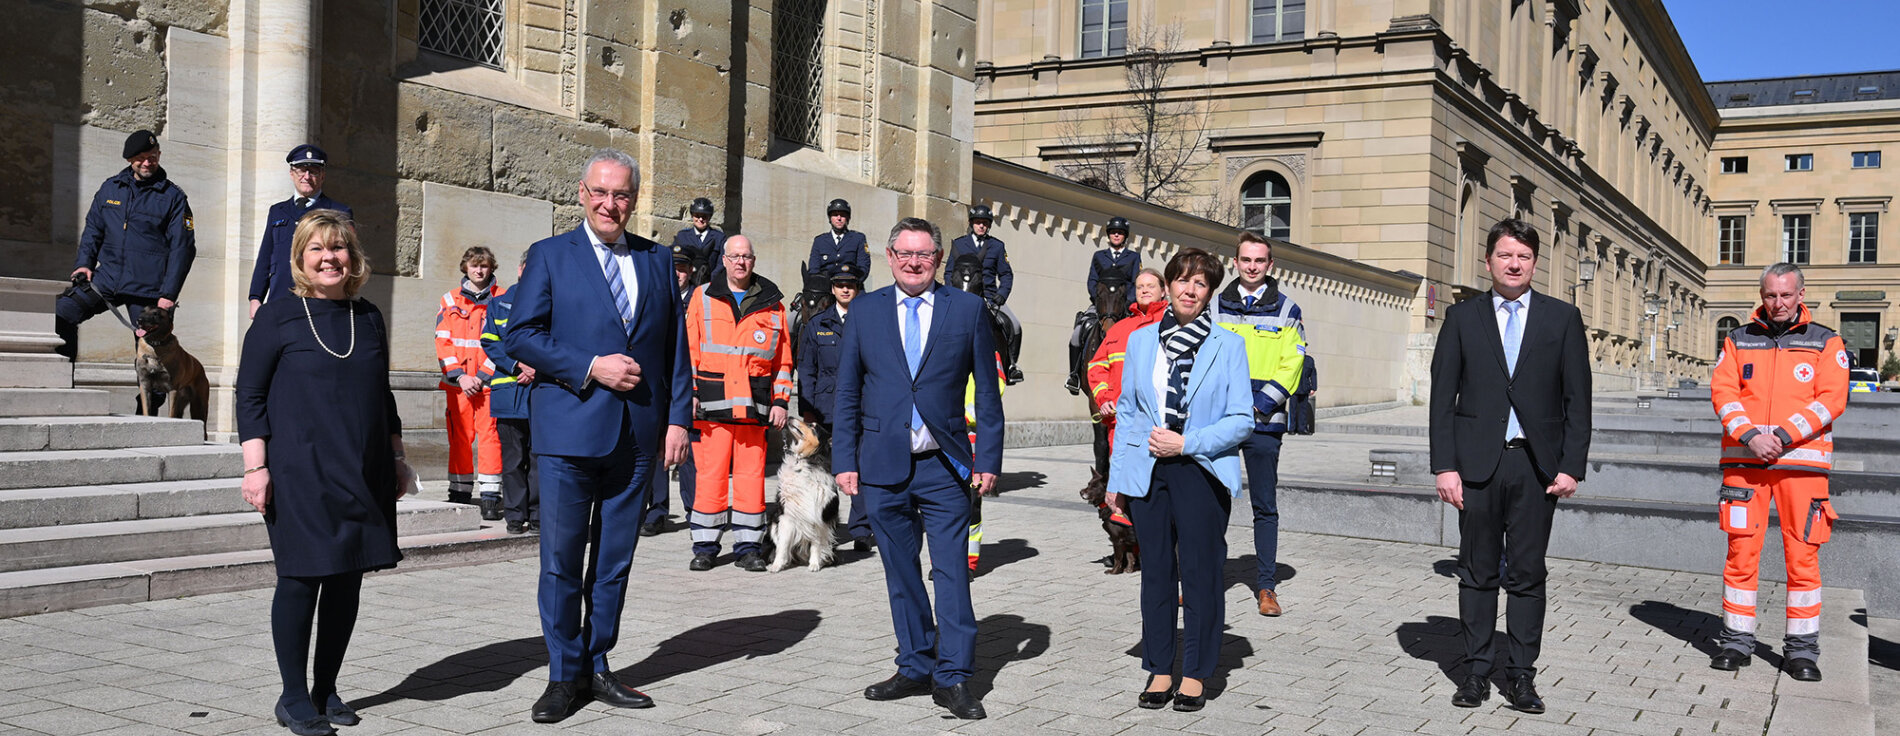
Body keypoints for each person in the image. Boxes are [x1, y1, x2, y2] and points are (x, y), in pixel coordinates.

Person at [504, 149, 692, 723]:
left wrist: (679, 419)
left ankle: (598, 663)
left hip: (637, 437)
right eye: (601, 193)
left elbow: (675, 351)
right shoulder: (550, 256)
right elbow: (521, 336)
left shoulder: (659, 261)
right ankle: (564, 676)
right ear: (582, 194)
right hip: (568, 433)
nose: (611, 204)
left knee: (614, 561)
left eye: (623, 195)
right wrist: (590, 365)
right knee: (561, 561)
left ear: (634, 200)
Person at [236, 209, 414, 736]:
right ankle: (293, 696)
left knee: (346, 581)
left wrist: (398, 458)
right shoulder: (278, 314)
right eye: (317, 248)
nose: (329, 257)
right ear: (300, 258)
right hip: (299, 469)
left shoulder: (369, 318)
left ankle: (325, 686)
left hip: (362, 466)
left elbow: (382, 395)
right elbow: (250, 395)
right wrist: (255, 468)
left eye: (337, 248)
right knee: (300, 578)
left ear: (352, 257)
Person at [834, 217, 1003, 721]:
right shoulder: (863, 311)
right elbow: (846, 392)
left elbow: (989, 396)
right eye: (904, 254)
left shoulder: (968, 309)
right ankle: (914, 663)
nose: (913, 262)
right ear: (889, 257)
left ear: (938, 260)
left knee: (951, 574)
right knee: (901, 572)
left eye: (924, 255)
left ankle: (952, 676)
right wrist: (845, 461)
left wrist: (988, 460)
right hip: (882, 467)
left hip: (945, 467)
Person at [1430, 218, 1590, 714]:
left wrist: (1571, 466)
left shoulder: (1562, 318)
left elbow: (1578, 399)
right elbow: (1442, 398)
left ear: (1534, 263)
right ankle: (1476, 672)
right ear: (1488, 261)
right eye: (1504, 255)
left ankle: (1521, 675)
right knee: (1476, 572)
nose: (1514, 264)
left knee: (1526, 574)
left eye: (1522, 256)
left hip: (1535, 467)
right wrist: (1444, 466)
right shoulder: (1462, 317)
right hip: (1477, 466)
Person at [1103, 248, 1253, 714]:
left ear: (1209, 292)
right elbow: (1128, 411)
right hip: (1149, 469)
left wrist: (1186, 444)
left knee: (1202, 573)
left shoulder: (1228, 345)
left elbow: (1242, 420)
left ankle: (1196, 672)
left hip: (1200, 469)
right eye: (1183, 280)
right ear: (1168, 285)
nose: (1190, 289)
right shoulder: (1144, 341)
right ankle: (1159, 665)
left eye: (1201, 283)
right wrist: (1118, 477)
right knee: (1158, 575)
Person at [1707, 262, 1848, 682]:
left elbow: (1832, 399)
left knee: (1802, 558)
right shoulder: (1737, 338)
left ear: (1801, 294)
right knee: (1740, 555)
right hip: (1745, 463)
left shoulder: (1826, 341)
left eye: (1786, 295)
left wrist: (1782, 436)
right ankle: (1736, 641)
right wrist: (1750, 435)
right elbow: (1723, 392)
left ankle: (1802, 651)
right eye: (1770, 295)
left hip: (1802, 467)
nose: (1778, 303)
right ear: (1761, 295)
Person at [1209, 232, 1306, 617]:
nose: (1252, 266)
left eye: (1259, 261)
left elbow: (1293, 362)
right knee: (1212, 504)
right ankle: (1204, 579)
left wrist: (1259, 405)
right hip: (1219, 421)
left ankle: (1266, 587)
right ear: (1235, 262)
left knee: (1264, 506)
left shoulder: (1287, 310)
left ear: (1270, 265)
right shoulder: (1214, 306)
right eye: (1246, 260)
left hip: (1264, 422)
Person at [684, 235, 794, 572]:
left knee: (751, 478)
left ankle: (748, 547)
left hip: (754, 409)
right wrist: (687, 395)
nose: (740, 262)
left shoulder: (773, 305)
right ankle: (705, 546)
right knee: (710, 477)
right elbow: (688, 353)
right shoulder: (702, 298)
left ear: (754, 260)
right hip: (711, 408)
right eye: (735, 256)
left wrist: (780, 401)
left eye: (746, 256)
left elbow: (784, 361)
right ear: (725, 261)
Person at [57, 129, 197, 361]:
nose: (147, 163)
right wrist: (84, 264)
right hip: (107, 278)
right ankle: (61, 378)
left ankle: (150, 397)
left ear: (159, 155)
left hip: (148, 288)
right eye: (141, 158)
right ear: (129, 159)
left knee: (152, 357)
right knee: (61, 313)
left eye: (152, 156)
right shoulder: (110, 188)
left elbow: (183, 249)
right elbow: (93, 230)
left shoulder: (174, 197)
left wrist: (168, 295)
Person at [797, 260, 873, 550]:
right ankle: (826, 527)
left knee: (860, 468)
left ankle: (861, 529)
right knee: (824, 474)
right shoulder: (818, 324)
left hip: (862, 408)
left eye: (850, 285)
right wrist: (808, 409)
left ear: (857, 288)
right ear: (832, 289)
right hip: (826, 409)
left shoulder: (868, 321)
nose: (845, 289)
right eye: (840, 285)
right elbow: (807, 369)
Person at [435, 247, 506, 517]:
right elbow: (443, 341)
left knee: (491, 439)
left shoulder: (503, 298)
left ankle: (490, 498)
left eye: (484, 266)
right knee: (460, 439)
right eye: (474, 266)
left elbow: (506, 341)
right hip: (458, 385)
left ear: (492, 268)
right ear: (465, 267)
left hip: (489, 384)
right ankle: (460, 494)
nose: (479, 271)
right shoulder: (449, 299)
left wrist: (482, 375)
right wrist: (461, 376)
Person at [641, 242, 704, 537]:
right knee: (657, 451)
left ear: (690, 271)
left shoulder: (702, 300)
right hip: (659, 384)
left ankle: (694, 508)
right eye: (674, 267)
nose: (677, 273)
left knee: (688, 449)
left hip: (690, 384)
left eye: (682, 268)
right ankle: (657, 510)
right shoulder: (655, 295)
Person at [250, 145, 352, 317]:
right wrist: (255, 297)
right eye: (301, 170)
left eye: (313, 171)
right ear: (292, 174)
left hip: (318, 300)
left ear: (322, 175)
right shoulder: (277, 211)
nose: (307, 176)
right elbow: (265, 257)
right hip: (279, 298)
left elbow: (348, 260)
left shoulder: (339, 212)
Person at [481, 258, 540, 535]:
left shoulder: (551, 302)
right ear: (519, 270)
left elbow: (557, 343)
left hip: (540, 393)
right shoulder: (499, 303)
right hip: (509, 393)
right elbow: (490, 341)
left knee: (540, 457)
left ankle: (539, 515)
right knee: (513, 460)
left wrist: (537, 367)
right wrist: (518, 366)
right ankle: (516, 516)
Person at [948, 204, 1021, 383]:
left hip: (989, 297)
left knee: (1015, 326)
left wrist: (1001, 295)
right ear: (971, 223)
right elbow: (949, 272)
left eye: (985, 223)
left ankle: (1011, 366)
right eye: (978, 222)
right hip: (960, 298)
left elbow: (1006, 274)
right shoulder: (958, 244)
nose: (982, 226)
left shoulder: (997, 246)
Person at [1068, 216, 1139, 392]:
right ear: (1108, 235)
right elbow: (1092, 281)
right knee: (1077, 334)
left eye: (1120, 233)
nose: (1116, 235)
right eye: (1114, 232)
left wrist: (1127, 304)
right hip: (1100, 305)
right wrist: (1098, 302)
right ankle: (1075, 376)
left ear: (1125, 236)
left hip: (1124, 307)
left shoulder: (1133, 257)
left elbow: (1135, 282)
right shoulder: (1099, 256)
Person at [807, 198, 872, 279]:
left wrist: (853, 284)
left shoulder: (858, 239)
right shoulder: (820, 241)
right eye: (835, 215)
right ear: (830, 218)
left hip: (851, 286)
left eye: (842, 215)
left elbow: (864, 267)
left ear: (848, 218)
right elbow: (813, 269)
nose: (839, 218)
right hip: (825, 287)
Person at [672, 197, 726, 283]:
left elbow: (722, 263)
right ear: (692, 216)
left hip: (710, 283)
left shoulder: (719, 237)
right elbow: (676, 261)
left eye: (704, 216)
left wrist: (709, 280)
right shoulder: (682, 236)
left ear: (709, 217)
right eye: (697, 216)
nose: (700, 219)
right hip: (687, 283)